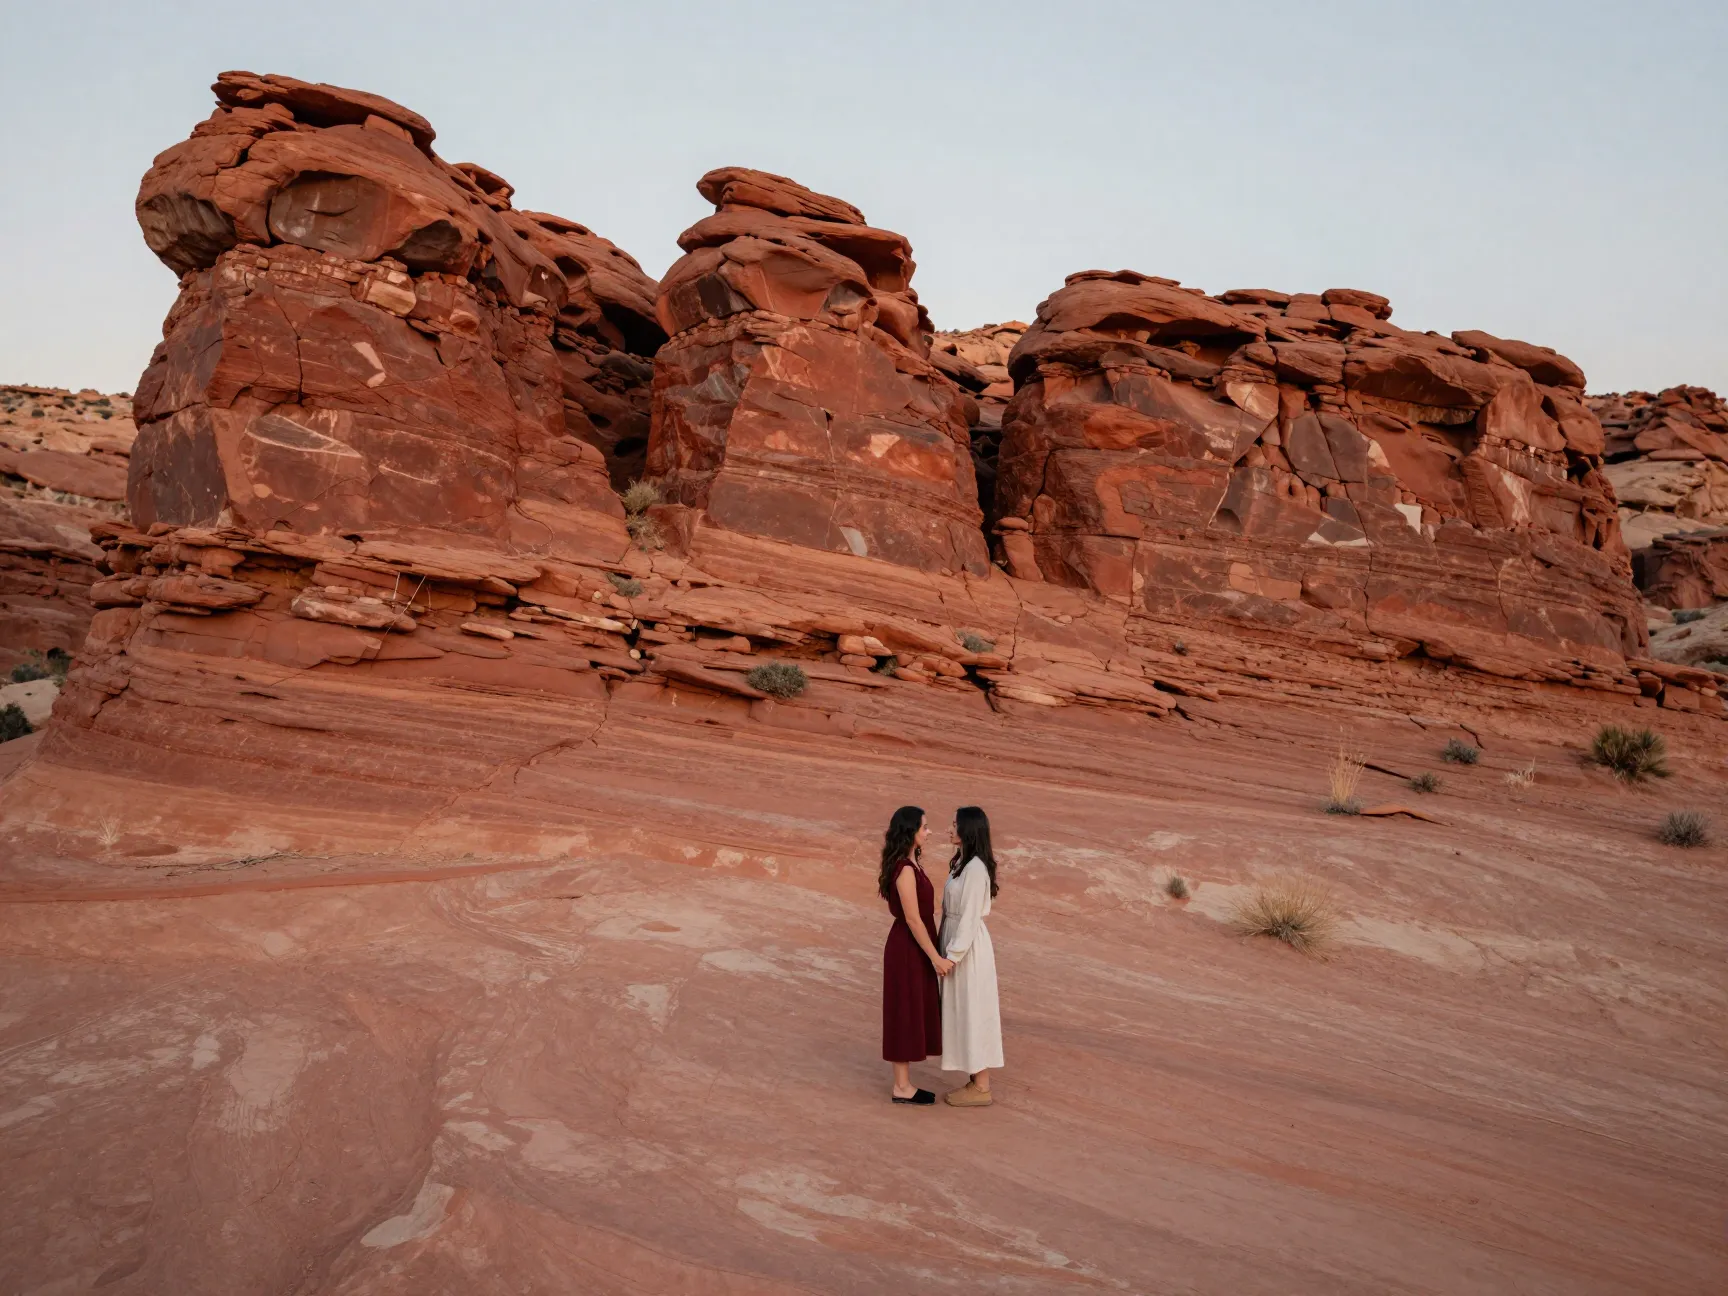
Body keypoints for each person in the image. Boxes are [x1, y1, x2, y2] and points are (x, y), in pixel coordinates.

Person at [879, 805, 952, 1103]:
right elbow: (912, 919)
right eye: (924, 827)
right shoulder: (905, 869)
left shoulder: (910, 863)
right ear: (910, 831)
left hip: (913, 947)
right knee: (904, 1011)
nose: (929, 831)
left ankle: (903, 1085)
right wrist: (935, 957)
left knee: (910, 1010)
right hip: (907, 948)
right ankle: (901, 1087)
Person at [938, 805, 1003, 1107]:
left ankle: (982, 1087)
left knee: (972, 1010)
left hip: (967, 950)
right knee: (963, 1010)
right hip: (955, 942)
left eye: (954, 824)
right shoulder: (963, 863)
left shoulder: (975, 869)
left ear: (968, 829)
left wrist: (952, 956)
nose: (949, 828)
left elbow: (969, 917)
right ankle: (976, 1079)